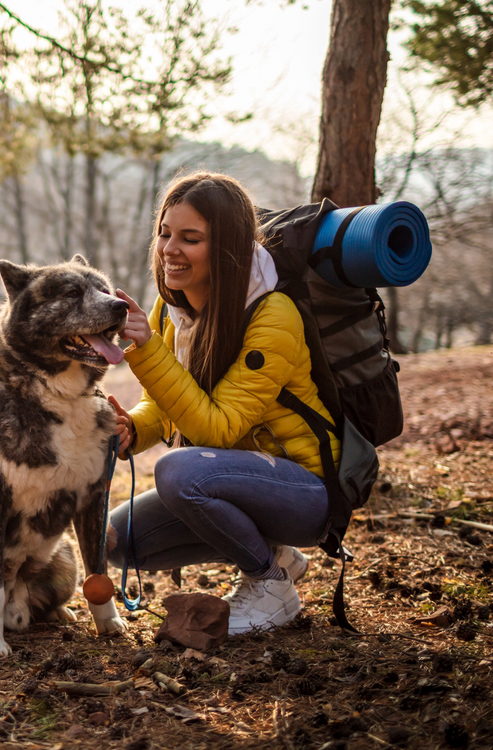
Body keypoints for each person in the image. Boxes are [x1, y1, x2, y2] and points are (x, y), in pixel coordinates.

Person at [104, 171, 339, 636]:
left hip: (306, 490)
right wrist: (136, 427)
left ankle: (270, 585)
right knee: (117, 539)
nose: (170, 249)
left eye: (190, 239)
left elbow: (220, 428)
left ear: (226, 249)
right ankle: (275, 555)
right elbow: (168, 405)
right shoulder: (171, 313)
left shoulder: (273, 314)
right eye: (165, 233)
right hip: (239, 478)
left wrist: (148, 352)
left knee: (179, 472)